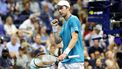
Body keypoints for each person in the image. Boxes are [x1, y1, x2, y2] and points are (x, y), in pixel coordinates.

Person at [51, 0, 84, 69]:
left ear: (68, 8)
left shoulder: (73, 19)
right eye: (58, 9)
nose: (59, 11)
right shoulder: (64, 24)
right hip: (65, 61)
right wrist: (54, 28)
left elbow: (75, 38)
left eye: (61, 8)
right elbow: (58, 41)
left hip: (75, 60)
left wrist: (65, 53)